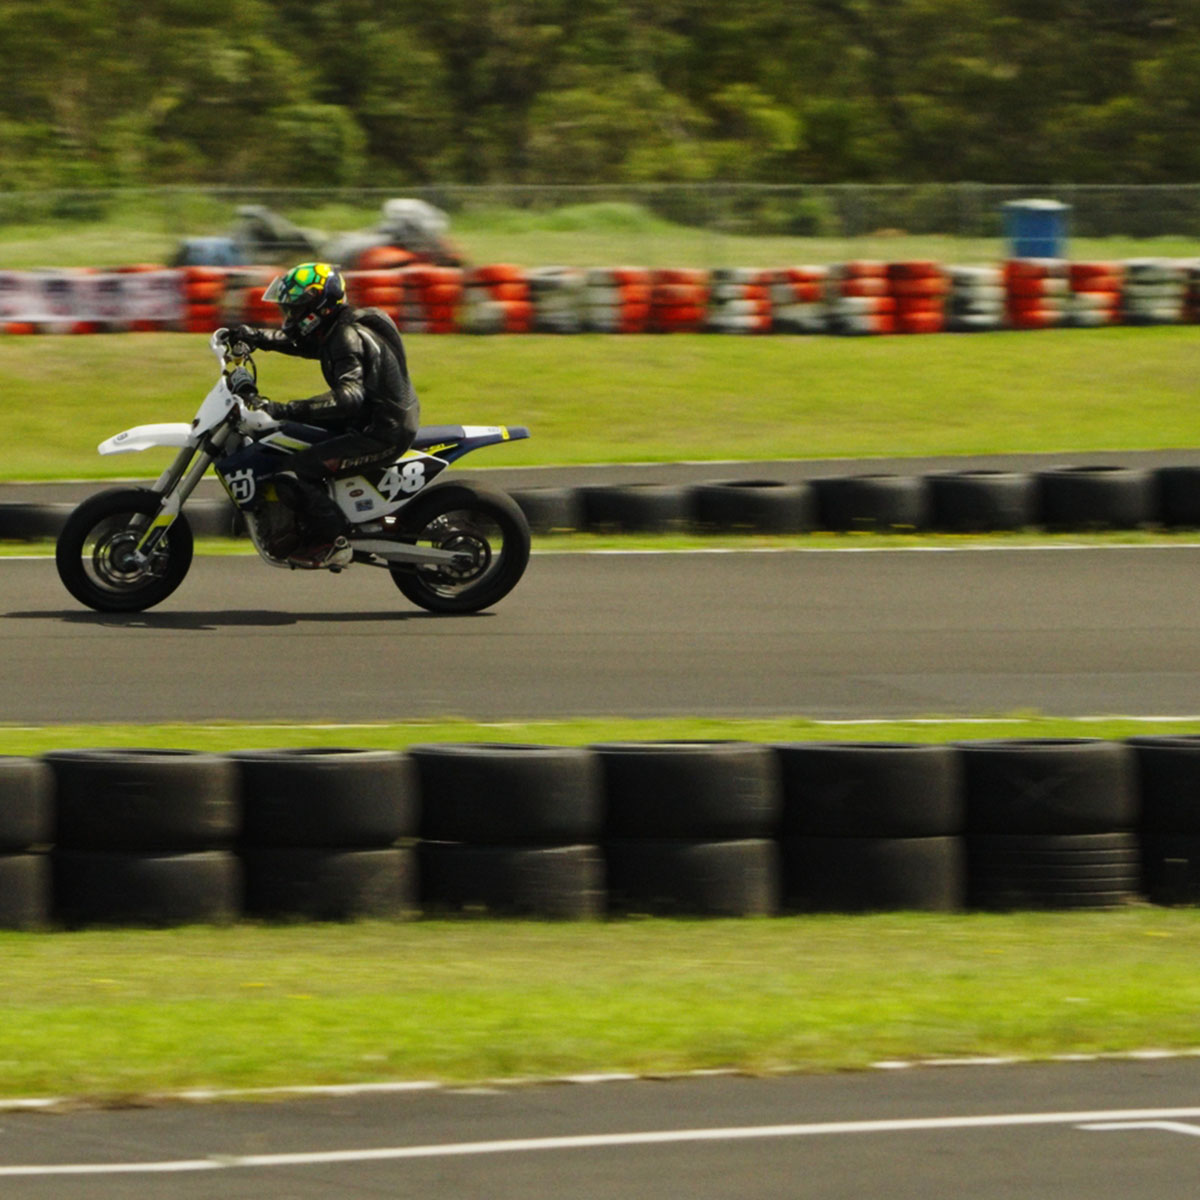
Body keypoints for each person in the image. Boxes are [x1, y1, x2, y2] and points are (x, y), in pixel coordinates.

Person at [228, 262, 420, 568]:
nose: (289, 316)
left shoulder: (346, 336)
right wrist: (254, 336)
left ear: (317, 306)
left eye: (295, 309)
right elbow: (301, 344)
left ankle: (333, 541)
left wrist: (283, 408)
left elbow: (349, 398)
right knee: (286, 437)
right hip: (368, 418)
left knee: (300, 467)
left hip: (381, 431)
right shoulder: (335, 328)